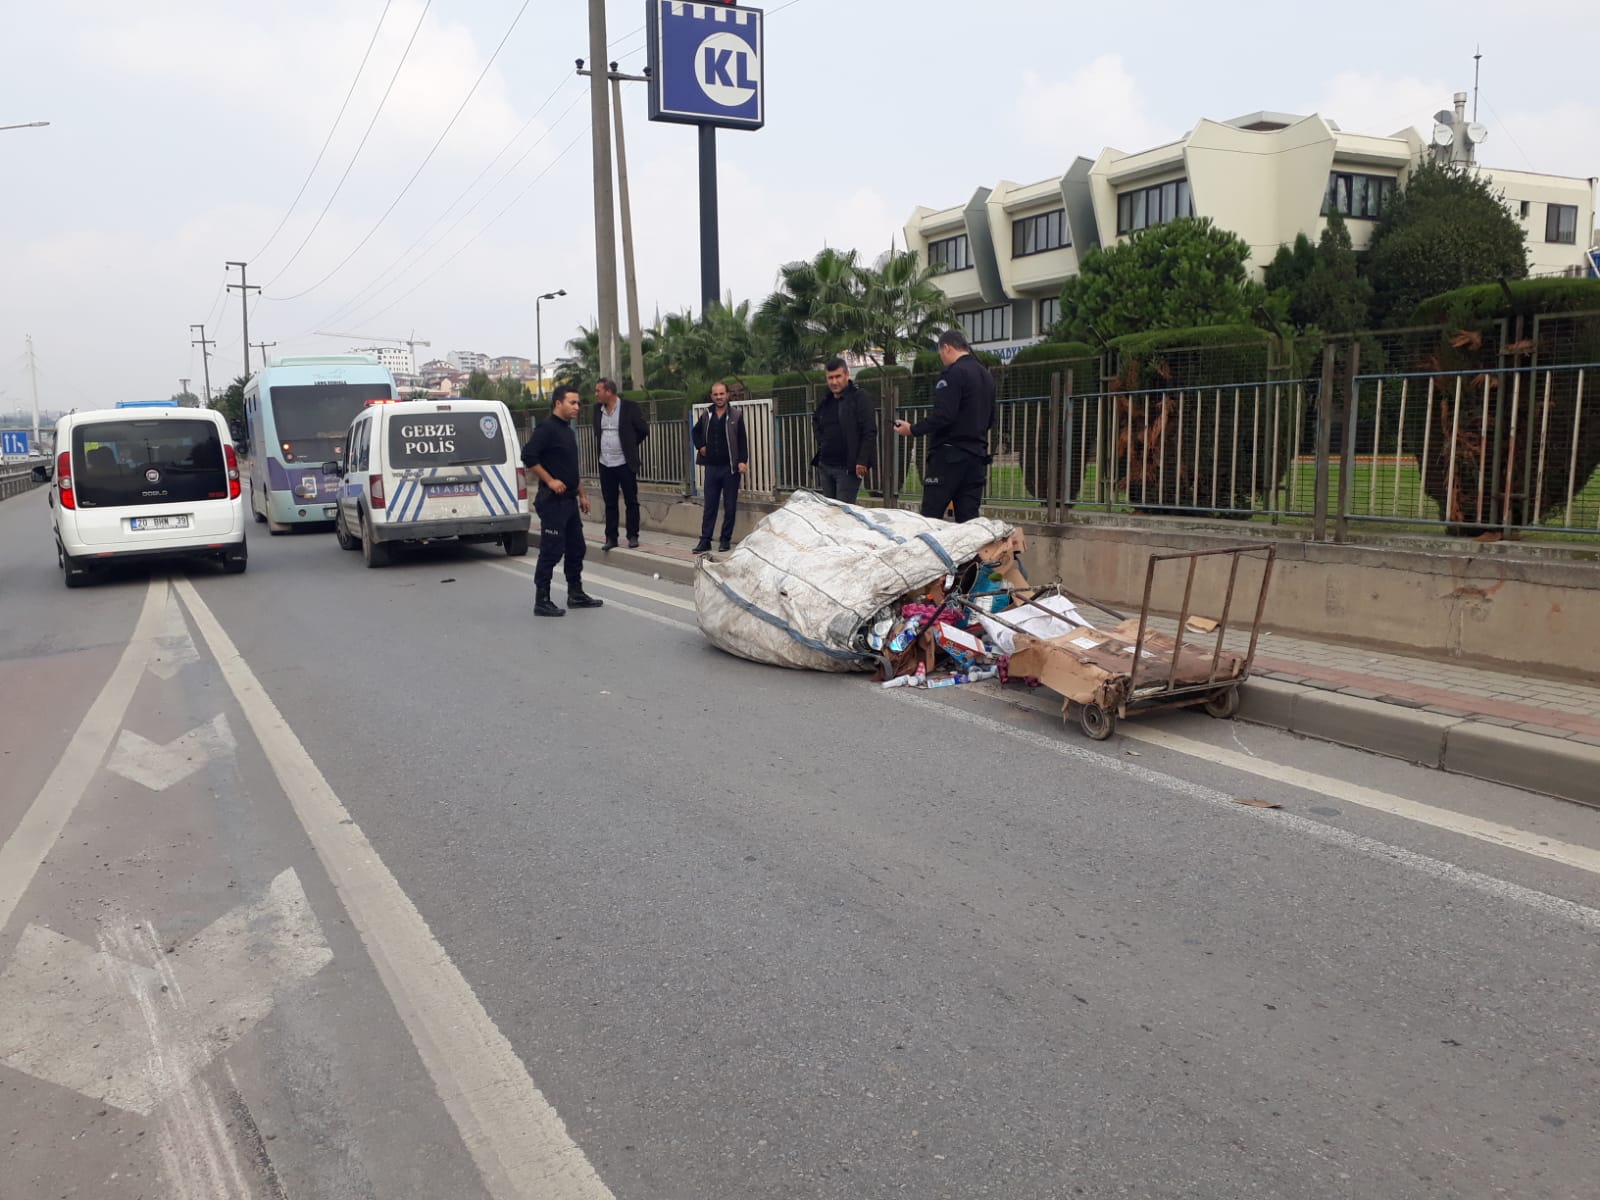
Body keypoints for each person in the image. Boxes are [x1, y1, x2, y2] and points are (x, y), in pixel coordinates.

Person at [893, 329, 996, 522]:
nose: (942, 359)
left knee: (931, 518)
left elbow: (944, 416)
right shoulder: (986, 375)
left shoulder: (953, 373)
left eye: (941, 354)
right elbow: (991, 419)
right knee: (969, 522)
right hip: (976, 458)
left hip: (949, 457)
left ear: (946, 348)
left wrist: (912, 429)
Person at [520, 385, 603, 617]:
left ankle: (575, 594)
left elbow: (571, 469)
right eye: (572, 402)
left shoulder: (568, 431)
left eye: (578, 403)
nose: (577, 407)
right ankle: (542, 599)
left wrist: (583, 494)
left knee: (577, 548)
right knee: (551, 550)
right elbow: (528, 456)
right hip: (552, 501)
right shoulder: (546, 429)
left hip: (569, 502)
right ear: (558, 403)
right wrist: (550, 480)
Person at [590, 377, 649, 549]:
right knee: (610, 502)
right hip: (605, 463)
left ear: (608, 392)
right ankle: (611, 537)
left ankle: (632, 535)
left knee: (631, 500)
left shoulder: (629, 407)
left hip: (624, 462)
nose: (596, 394)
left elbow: (643, 430)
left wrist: (630, 444)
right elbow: (597, 432)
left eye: (598, 391)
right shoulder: (597, 409)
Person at [690, 382, 749, 553]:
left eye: (722, 394)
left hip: (730, 469)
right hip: (711, 468)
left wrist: (743, 461)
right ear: (711, 396)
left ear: (727, 395)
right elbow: (695, 432)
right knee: (710, 506)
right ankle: (705, 540)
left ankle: (725, 540)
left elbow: (742, 441)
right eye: (715, 394)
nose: (719, 397)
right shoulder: (706, 414)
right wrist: (700, 446)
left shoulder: (736, 416)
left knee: (730, 506)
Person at [811, 357, 878, 504]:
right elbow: (816, 421)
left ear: (847, 375)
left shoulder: (859, 397)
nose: (834, 382)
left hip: (848, 470)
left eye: (838, 376)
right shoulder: (826, 400)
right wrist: (822, 441)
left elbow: (869, 431)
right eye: (830, 378)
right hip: (826, 466)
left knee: (843, 516)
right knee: (829, 514)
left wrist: (862, 460)